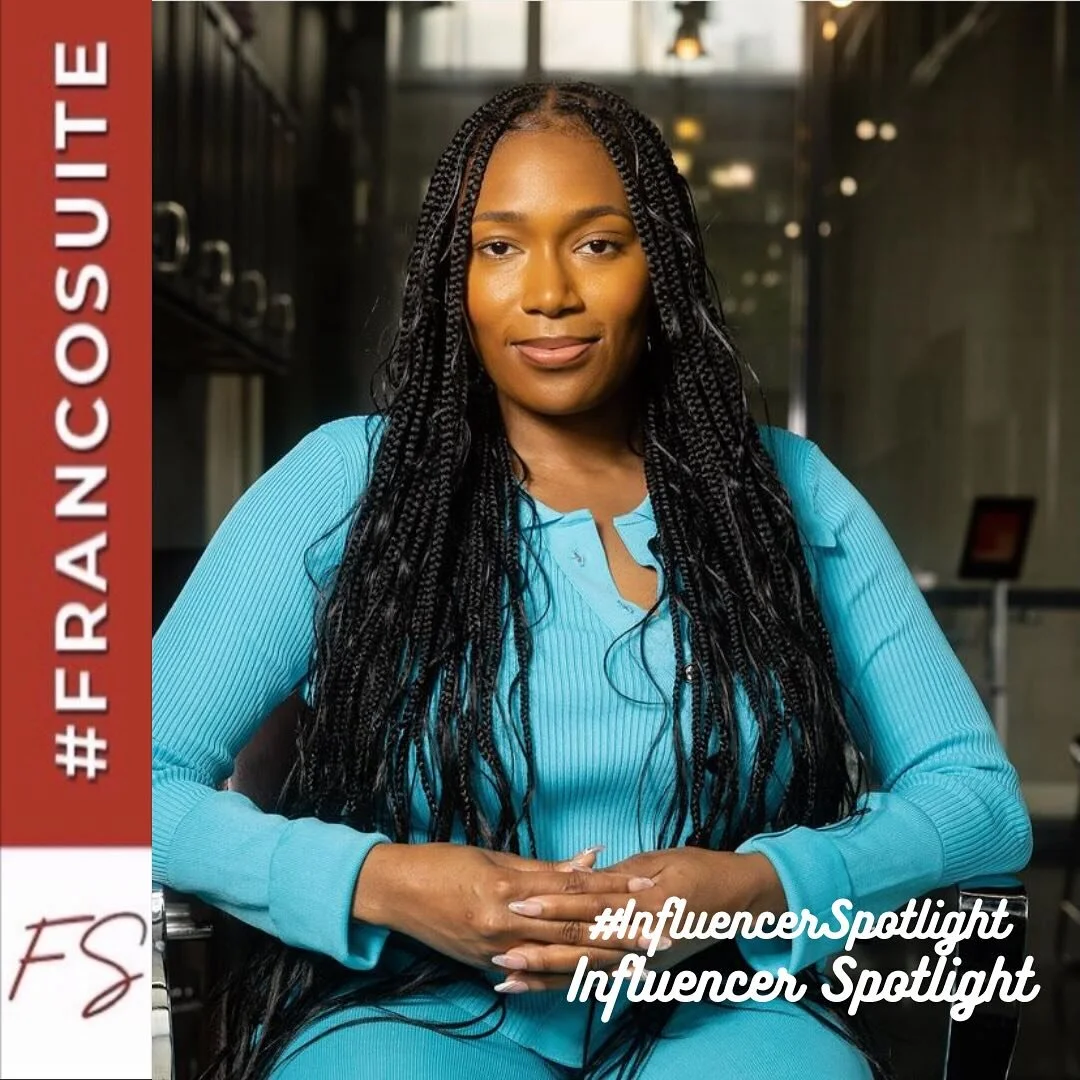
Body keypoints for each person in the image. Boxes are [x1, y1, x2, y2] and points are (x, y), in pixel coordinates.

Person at [152, 82, 1032, 1080]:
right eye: (500, 246)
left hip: (719, 1005)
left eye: (599, 243)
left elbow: (976, 800)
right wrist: (384, 881)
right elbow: (106, 783)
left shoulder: (790, 496)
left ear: (660, 267)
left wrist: (757, 886)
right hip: (406, 1008)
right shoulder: (341, 483)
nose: (549, 292)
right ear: (455, 276)